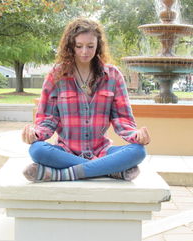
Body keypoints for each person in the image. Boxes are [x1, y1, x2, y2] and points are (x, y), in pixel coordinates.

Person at [22, 17, 151, 183]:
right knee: (37, 150)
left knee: (138, 152)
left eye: (90, 46)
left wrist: (136, 135)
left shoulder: (113, 75)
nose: (85, 51)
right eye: (79, 46)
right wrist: (36, 134)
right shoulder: (56, 75)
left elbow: (122, 118)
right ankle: (108, 171)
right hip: (65, 152)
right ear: (71, 46)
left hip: (102, 151)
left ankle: (62, 174)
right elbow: (48, 118)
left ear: (98, 46)